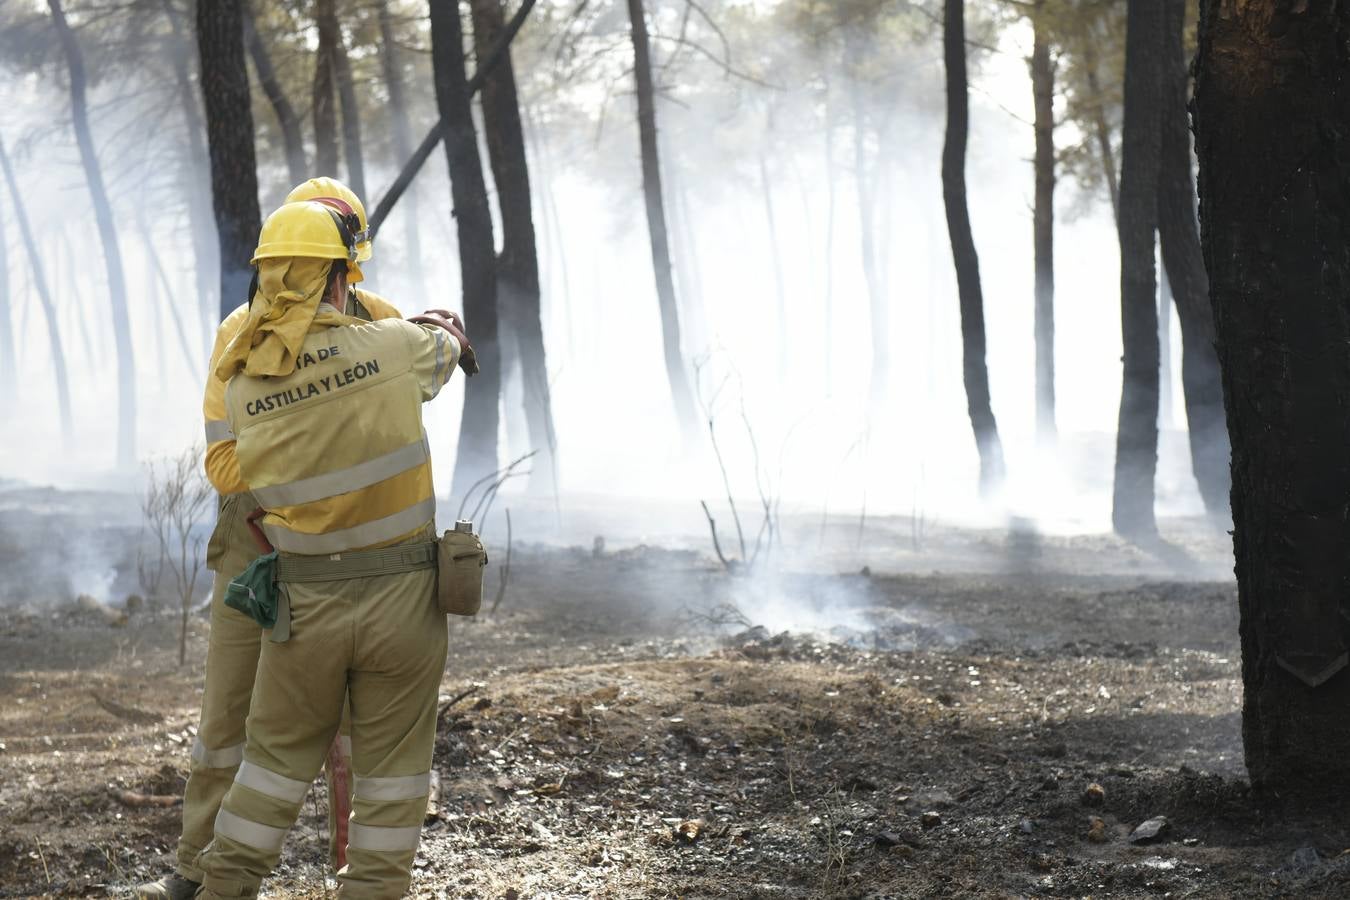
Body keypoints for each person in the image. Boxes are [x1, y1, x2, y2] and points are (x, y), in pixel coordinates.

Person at [136, 178, 420, 900]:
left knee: (358, 730)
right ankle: (199, 869)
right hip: (255, 541)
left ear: (343, 261)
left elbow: (389, 423)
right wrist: (296, 476)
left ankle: (351, 868)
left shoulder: (380, 322)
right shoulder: (240, 334)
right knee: (230, 716)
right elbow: (224, 464)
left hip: (344, 549)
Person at [192, 197, 468, 899]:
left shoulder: (247, 383)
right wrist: (432, 325)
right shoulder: (395, 346)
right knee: (394, 778)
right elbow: (449, 345)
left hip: (303, 607)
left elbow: (231, 471)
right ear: (343, 276)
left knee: (270, 767)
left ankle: (220, 885)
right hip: (403, 606)